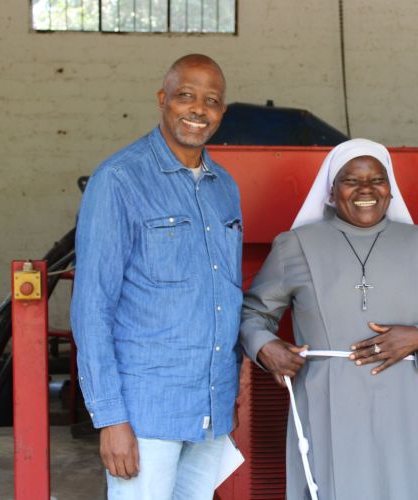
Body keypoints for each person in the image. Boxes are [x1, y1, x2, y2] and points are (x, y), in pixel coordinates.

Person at [239, 138, 418, 500]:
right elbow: (253, 313)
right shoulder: (296, 245)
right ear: (332, 193)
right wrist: (265, 346)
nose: (365, 189)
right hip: (328, 403)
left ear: (390, 189)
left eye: (376, 180)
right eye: (351, 180)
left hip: (406, 401)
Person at [71, 54, 242, 500]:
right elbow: (92, 308)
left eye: (212, 101)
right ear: (163, 99)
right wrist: (110, 419)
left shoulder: (224, 186)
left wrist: (226, 395)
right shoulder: (119, 180)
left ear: (222, 112)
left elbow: (227, 295)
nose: (198, 110)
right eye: (186, 95)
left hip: (209, 406)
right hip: (146, 411)